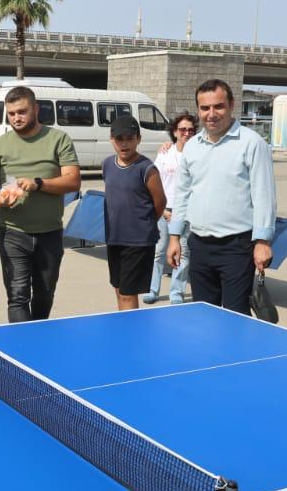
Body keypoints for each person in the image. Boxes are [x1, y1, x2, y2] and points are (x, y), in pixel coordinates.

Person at [167, 79, 276, 315]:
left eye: (218, 106)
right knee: (204, 315)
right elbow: (182, 194)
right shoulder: (192, 147)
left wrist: (263, 242)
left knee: (235, 316)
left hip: (236, 248)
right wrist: (174, 237)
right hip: (199, 245)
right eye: (205, 108)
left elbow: (264, 196)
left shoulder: (252, 143)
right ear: (198, 110)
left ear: (232, 105)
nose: (211, 114)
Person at [0, 86, 80, 323]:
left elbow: (73, 181)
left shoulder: (58, 139)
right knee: (17, 296)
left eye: (22, 111)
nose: (16, 117)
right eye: (11, 113)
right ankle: (21, 342)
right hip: (12, 233)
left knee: (44, 294)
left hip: (49, 233)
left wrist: (39, 183)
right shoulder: (0, 145)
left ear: (36, 109)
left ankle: (37, 335)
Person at [101, 113, 166, 311]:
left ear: (138, 139)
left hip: (138, 242)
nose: (124, 143)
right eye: (119, 138)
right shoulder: (107, 164)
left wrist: (143, 224)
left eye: (129, 138)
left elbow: (160, 202)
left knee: (128, 294)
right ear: (111, 139)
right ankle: (123, 326)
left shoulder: (147, 169)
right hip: (114, 238)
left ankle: (130, 329)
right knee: (119, 289)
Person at [142, 112, 196, 305]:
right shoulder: (165, 152)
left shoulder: (197, 154)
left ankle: (176, 293)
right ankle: (152, 290)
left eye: (190, 130)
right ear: (174, 132)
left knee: (183, 252)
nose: (186, 133)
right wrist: (163, 210)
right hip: (164, 209)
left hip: (186, 212)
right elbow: (155, 183)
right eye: (182, 129)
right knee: (159, 250)